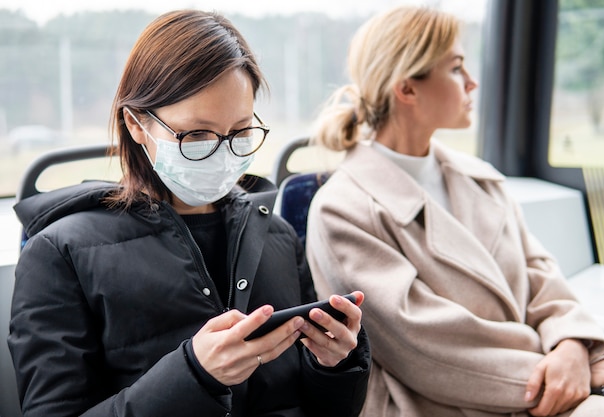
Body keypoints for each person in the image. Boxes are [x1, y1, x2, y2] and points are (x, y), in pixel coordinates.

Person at [8, 10, 370, 417]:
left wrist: (336, 364)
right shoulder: (60, 254)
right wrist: (195, 376)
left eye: (240, 132)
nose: (222, 152)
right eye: (197, 135)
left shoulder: (277, 235)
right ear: (136, 123)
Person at [306, 6, 604, 417]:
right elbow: (424, 346)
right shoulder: (342, 210)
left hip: (536, 378)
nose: (473, 82)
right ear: (407, 89)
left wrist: (572, 344)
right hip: (438, 402)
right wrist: (561, 370)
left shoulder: (481, 178)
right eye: (456, 69)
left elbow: (541, 275)